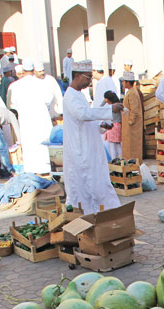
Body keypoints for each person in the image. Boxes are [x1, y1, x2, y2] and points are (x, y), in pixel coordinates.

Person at [63, 60, 124, 213]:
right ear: (77, 76)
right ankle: (86, 217)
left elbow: (87, 121)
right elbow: (83, 114)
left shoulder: (79, 95)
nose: (90, 81)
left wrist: (101, 125)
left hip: (89, 149)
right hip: (79, 151)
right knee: (83, 188)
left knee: (98, 183)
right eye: (88, 77)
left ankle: (110, 214)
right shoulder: (70, 96)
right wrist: (110, 109)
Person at [8, 59, 53, 174]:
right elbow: (48, 99)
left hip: (26, 119)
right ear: (33, 70)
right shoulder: (41, 83)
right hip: (41, 118)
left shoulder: (15, 85)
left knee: (30, 143)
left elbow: (12, 104)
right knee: (42, 144)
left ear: (23, 70)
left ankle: (32, 169)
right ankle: (45, 168)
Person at [121, 71, 144, 163]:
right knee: (128, 147)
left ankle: (132, 167)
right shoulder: (131, 91)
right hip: (128, 125)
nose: (122, 83)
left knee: (132, 149)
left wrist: (130, 121)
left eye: (123, 81)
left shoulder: (132, 93)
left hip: (132, 127)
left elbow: (134, 110)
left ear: (127, 82)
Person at [102, 90, 123, 159]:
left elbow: (100, 108)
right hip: (119, 125)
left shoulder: (112, 107)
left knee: (111, 145)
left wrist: (103, 102)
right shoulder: (119, 105)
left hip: (112, 126)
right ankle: (121, 160)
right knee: (118, 144)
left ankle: (113, 160)